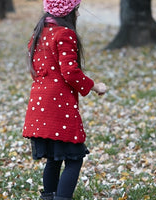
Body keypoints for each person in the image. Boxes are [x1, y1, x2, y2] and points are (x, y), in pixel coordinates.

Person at [23, 0, 107, 199]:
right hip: (58, 108)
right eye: (76, 10)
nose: (77, 15)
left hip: (39, 105)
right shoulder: (65, 34)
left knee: (53, 158)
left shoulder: (38, 34)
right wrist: (95, 86)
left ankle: (50, 196)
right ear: (68, 12)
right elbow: (70, 72)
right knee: (74, 158)